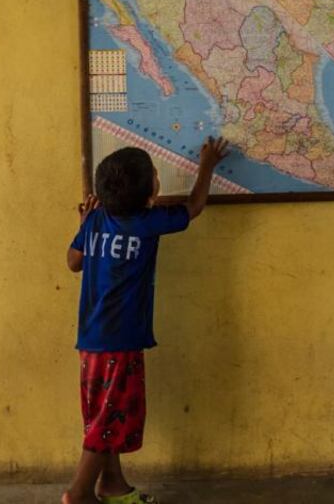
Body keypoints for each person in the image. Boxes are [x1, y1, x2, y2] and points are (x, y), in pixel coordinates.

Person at [62, 138, 229, 504]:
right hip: (120, 343)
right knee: (106, 420)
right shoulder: (148, 223)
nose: (158, 176)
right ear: (149, 197)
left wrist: (85, 223)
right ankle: (78, 493)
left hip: (90, 341)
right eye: (155, 175)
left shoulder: (95, 221)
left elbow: (73, 263)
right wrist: (207, 166)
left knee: (106, 411)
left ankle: (112, 484)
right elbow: (194, 206)